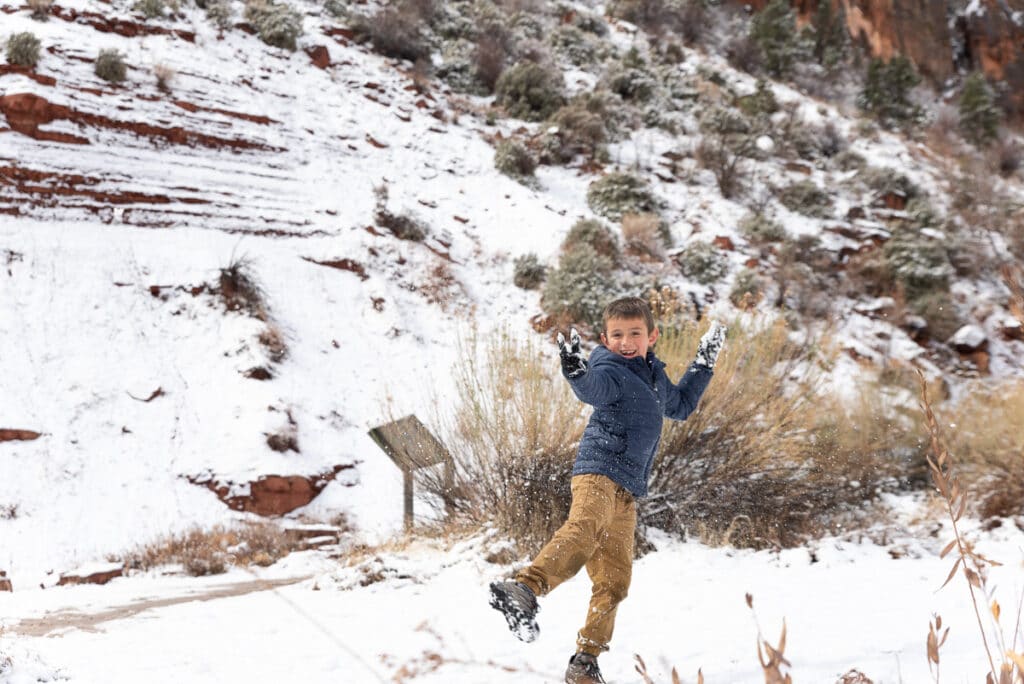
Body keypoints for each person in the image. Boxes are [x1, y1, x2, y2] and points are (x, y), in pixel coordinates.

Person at [489, 296, 727, 684]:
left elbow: (681, 406)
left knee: (615, 581)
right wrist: (575, 372)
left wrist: (703, 363)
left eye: (635, 333)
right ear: (605, 338)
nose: (626, 341)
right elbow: (592, 389)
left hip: (627, 488)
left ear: (652, 336)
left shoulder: (653, 377)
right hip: (599, 471)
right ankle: (525, 588)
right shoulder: (610, 367)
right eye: (617, 334)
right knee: (583, 530)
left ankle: (585, 661)